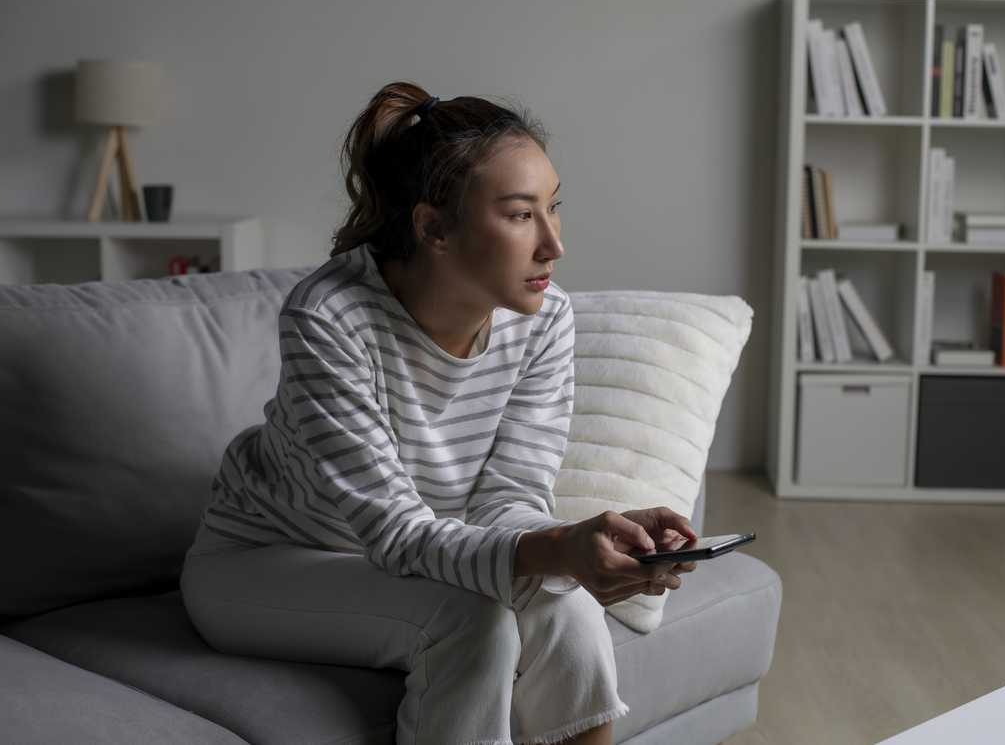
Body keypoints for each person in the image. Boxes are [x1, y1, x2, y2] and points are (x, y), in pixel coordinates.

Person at [180, 80, 699, 745]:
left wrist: (578, 548)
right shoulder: (329, 319)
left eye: (553, 208)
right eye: (519, 215)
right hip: (263, 559)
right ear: (434, 228)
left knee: (565, 603)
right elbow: (397, 533)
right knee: (473, 619)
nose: (552, 244)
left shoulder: (544, 321)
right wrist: (558, 546)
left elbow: (507, 498)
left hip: (412, 552)